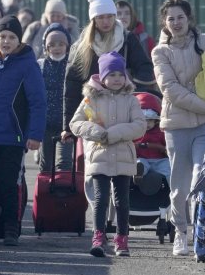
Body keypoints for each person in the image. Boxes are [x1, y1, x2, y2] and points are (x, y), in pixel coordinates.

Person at [151, 0, 205, 257]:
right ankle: (180, 232)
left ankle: (202, 233)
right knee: (179, 186)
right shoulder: (160, 52)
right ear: (164, 23)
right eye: (171, 19)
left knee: (202, 176)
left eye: (181, 17)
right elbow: (170, 90)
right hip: (177, 125)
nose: (176, 22)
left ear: (189, 19)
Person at [0, 15, 46, 246]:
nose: (6, 41)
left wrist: (35, 135)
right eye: (2, 36)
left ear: (19, 40)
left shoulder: (28, 65)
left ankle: (10, 228)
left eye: (11, 37)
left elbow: (38, 102)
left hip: (14, 136)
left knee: (9, 184)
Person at [69, 52, 146, 257]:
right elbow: (75, 123)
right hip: (99, 155)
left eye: (120, 75)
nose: (117, 79)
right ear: (102, 77)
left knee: (122, 200)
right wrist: (95, 132)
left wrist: (113, 134)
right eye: (111, 75)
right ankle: (99, 236)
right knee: (100, 198)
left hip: (122, 155)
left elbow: (140, 125)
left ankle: (122, 238)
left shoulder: (131, 100)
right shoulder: (90, 99)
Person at [63, 0, 155, 140]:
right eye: (100, 17)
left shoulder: (127, 39)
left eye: (110, 16)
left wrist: (131, 92)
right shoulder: (83, 46)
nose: (106, 22)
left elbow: (145, 68)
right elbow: (72, 85)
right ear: (93, 19)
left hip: (122, 111)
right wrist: (67, 126)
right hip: (93, 112)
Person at [37, 22, 73, 172]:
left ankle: (63, 192)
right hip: (46, 123)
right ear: (46, 47)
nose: (57, 48)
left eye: (61, 44)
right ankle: (45, 192)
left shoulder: (72, 65)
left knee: (64, 163)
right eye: (52, 45)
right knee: (46, 163)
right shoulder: (40, 65)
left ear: (67, 46)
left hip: (66, 123)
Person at [132, 92, 170, 184]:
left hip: (159, 159)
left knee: (168, 167)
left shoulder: (161, 132)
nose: (147, 124)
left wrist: (165, 150)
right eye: (144, 121)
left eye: (150, 121)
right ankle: (138, 174)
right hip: (142, 158)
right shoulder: (134, 133)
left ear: (156, 121)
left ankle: (174, 188)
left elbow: (167, 146)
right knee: (139, 163)